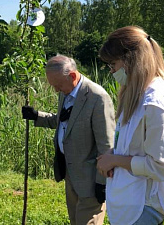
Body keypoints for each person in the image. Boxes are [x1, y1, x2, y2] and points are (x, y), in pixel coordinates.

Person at [97, 26, 164, 225]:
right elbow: (135, 143)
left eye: (113, 64)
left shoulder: (156, 101)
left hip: (143, 207)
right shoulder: (138, 93)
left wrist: (116, 160)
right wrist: (113, 155)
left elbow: (161, 167)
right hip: (132, 201)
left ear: (130, 60)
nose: (112, 71)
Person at [22, 55, 116, 225]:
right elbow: (64, 122)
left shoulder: (97, 98)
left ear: (72, 76)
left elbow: (106, 145)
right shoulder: (66, 92)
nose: (56, 90)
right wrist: (37, 116)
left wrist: (102, 183)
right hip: (71, 174)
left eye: (58, 85)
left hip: (90, 179)